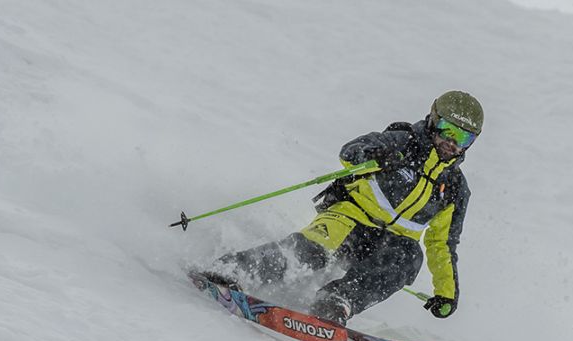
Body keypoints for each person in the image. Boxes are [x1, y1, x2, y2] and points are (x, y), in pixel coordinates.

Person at [201, 91, 482, 325]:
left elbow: (442, 243)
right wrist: (380, 155)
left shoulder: (455, 189)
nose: (451, 143)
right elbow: (350, 151)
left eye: (463, 139)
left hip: (389, 245)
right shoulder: (403, 140)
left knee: (410, 258)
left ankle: (336, 301)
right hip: (350, 217)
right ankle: (236, 269)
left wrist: (446, 293)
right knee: (312, 251)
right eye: (448, 130)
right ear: (433, 120)